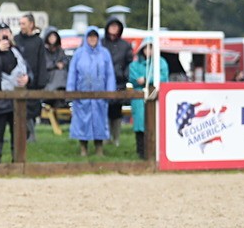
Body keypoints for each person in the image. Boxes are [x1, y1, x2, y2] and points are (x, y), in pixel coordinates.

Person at [0, 25, 30, 164]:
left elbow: (28, 69)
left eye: (7, 31)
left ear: (11, 34)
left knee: (18, 133)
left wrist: (28, 78)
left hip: (16, 100)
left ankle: (17, 162)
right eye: (1, 32)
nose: (5, 34)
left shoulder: (17, 51)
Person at [67, 27, 115, 156]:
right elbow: (72, 72)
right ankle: (83, 148)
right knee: (82, 122)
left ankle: (99, 149)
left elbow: (110, 73)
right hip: (82, 95)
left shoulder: (105, 53)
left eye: (95, 37)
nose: (92, 39)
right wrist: (70, 90)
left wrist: (110, 91)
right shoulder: (78, 53)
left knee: (99, 121)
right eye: (90, 37)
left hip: (100, 95)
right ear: (86, 38)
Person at [128, 38, 168, 159]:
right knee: (140, 126)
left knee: (156, 125)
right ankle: (141, 153)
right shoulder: (135, 64)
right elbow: (133, 78)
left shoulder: (161, 62)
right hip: (139, 100)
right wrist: (148, 80)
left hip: (156, 97)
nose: (148, 50)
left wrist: (146, 80)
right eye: (146, 47)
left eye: (151, 47)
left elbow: (162, 78)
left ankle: (156, 152)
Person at [13, 12, 46, 141]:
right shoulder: (16, 39)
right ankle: (20, 136)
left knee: (31, 109)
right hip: (18, 81)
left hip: (33, 81)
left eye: (24, 23)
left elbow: (42, 62)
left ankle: (31, 136)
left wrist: (40, 82)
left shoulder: (38, 42)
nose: (21, 26)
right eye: (20, 23)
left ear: (31, 24)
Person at [101, 17, 133, 145]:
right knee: (104, 109)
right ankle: (105, 137)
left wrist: (124, 75)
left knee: (117, 111)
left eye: (116, 26)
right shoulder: (101, 43)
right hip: (103, 82)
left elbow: (129, 63)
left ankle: (116, 138)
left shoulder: (125, 45)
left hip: (119, 82)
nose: (114, 28)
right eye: (112, 26)